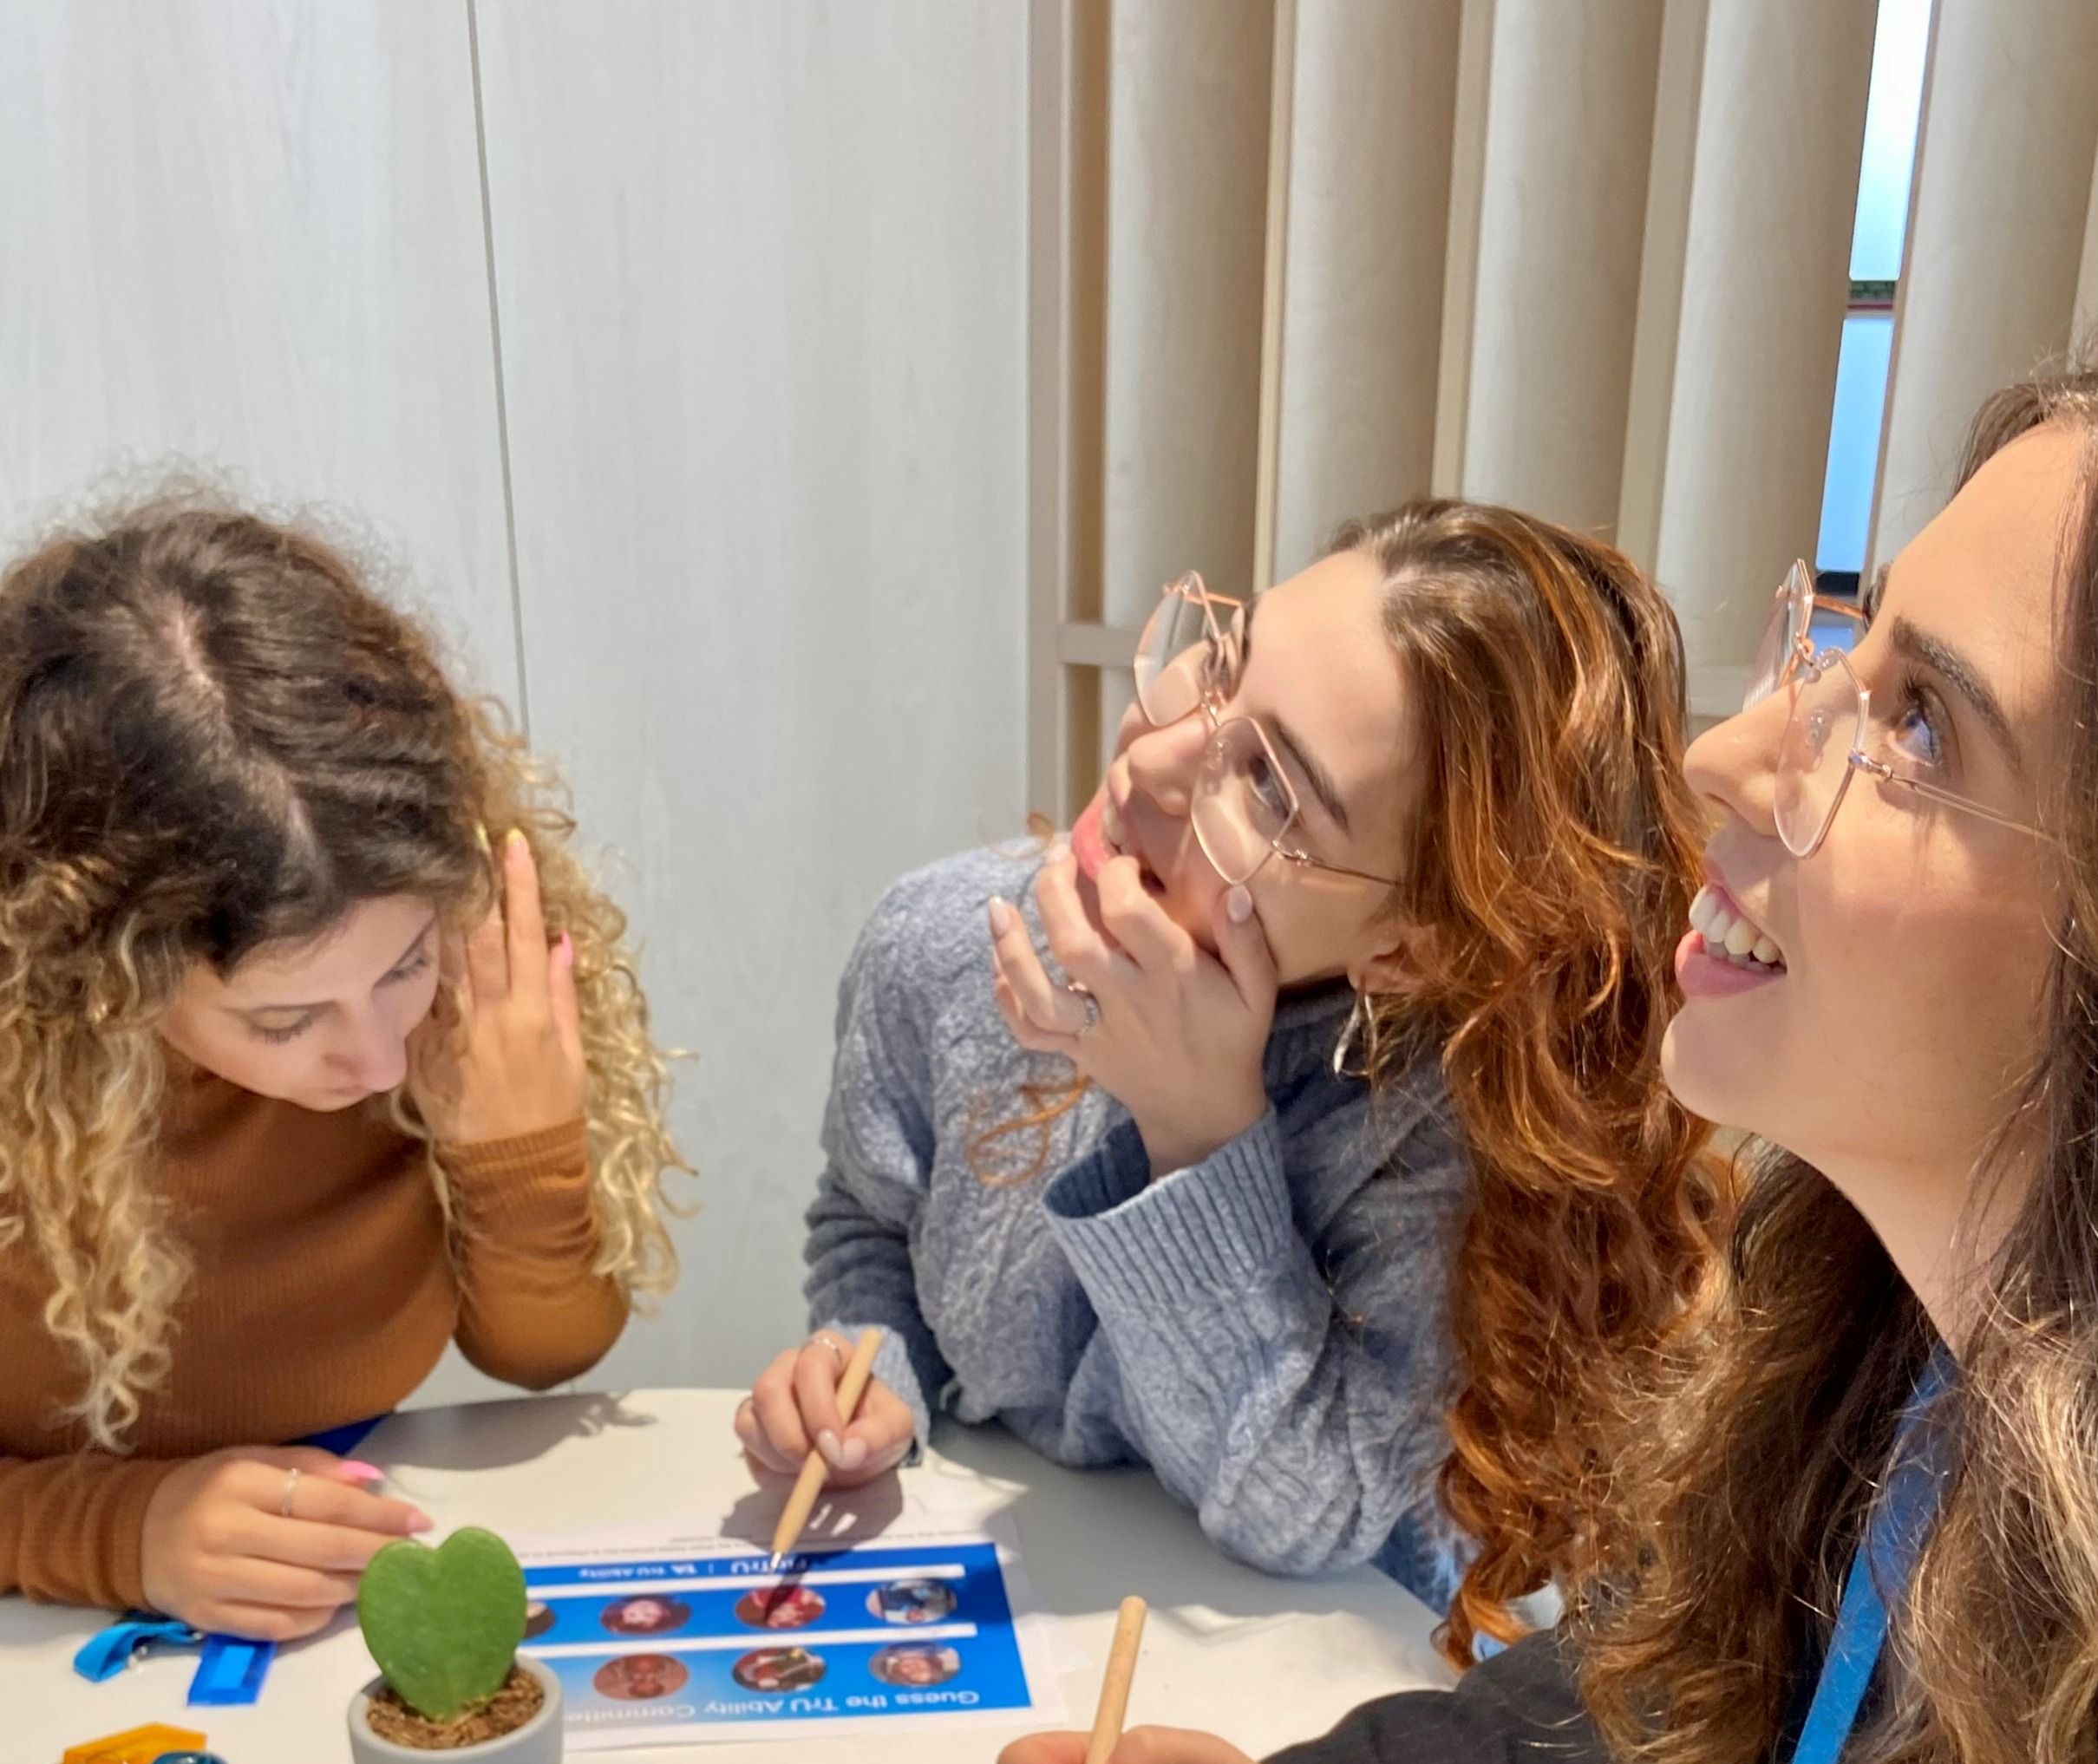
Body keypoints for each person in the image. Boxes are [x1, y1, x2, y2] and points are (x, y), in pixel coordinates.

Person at [1001, 366, 2098, 1764]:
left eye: (1912, 725)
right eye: (1840, 642)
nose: (1722, 764)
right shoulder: (1901, 1347)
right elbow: (1666, 1677)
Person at [741, 505, 1722, 1654]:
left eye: (1268, 787)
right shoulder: (944, 942)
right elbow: (869, 1213)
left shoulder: (1431, 1136)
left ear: (1403, 945)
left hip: (1294, 1690)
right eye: (1221, 664)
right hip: (1012, 1621)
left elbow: (1302, 1516)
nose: (1150, 758)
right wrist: (868, 1365)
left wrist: (1194, 1129)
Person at [0, 496, 681, 1635]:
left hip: (319, 1616)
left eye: (406, 960)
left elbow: (544, 1357)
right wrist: (116, 1530)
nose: (374, 1057)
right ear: (93, 970)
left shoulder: (461, 993)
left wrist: (519, 1156)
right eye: (283, 1023)